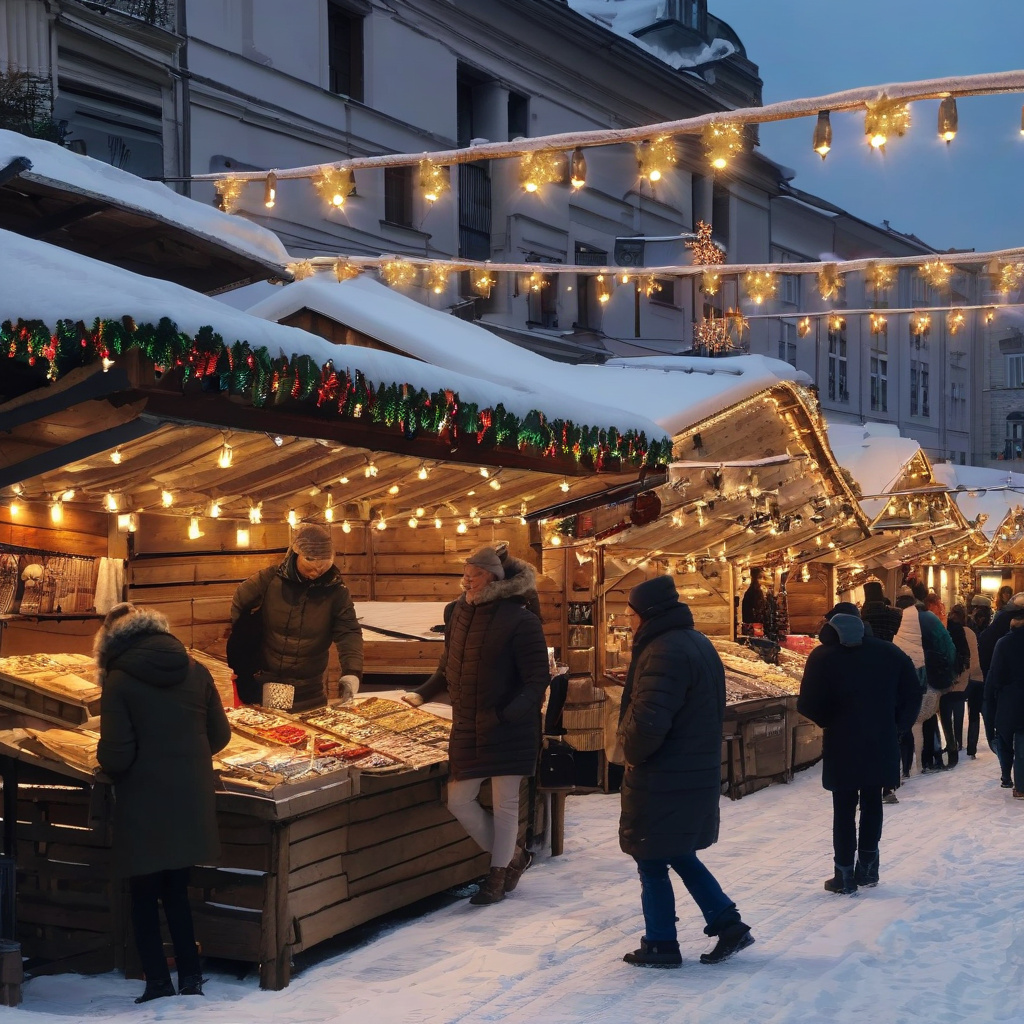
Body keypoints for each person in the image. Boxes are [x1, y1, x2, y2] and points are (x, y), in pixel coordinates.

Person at [95, 603, 230, 1003]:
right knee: (176, 889)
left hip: (144, 802)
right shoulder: (195, 669)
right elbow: (219, 736)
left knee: (143, 893)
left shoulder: (119, 680)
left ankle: (156, 981)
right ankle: (191, 977)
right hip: (190, 798)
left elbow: (116, 757)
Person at [618, 576, 753, 968]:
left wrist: (632, 752)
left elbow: (649, 721)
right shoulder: (694, 643)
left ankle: (661, 943)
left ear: (648, 614)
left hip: (665, 774)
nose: (628, 622)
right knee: (672, 851)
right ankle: (727, 924)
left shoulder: (664, 651)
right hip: (689, 770)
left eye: (631, 614)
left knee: (652, 855)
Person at [442, 546, 550, 905]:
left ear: (492, 577)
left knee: (505, 805)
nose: (466, 580)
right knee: (459, 799)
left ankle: (497, 874)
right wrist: (421, 694)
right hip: (468, 725)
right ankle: (514, 857)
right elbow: (448, 664)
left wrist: (506, 715)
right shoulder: (456, 612)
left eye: (473, 574)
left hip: (509, 727)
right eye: (465, 573)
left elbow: (537, 679)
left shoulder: (521, 619)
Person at [797, 605, 921, 894]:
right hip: (881, 739)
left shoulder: (822, 656)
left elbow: (806, 703)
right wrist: (898, 726)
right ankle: (867, 868)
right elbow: (913, 692)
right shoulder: (890, 653)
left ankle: (844, 875)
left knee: (843, 808)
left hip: (842, 742)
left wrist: (829, 720)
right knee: (873, 802)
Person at [229, 523, 362, 712]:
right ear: (296, 554)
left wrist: (352, 672)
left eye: (323, 566)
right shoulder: (268, 580)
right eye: (311, 564)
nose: (316, 572)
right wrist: (247, 646)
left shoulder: (336, 591)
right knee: (277, 734)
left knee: (312, 735)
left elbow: (349, 632)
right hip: (272, 684)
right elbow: (240, 605)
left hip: (312, 688)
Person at [403, 543, 541, 707]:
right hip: (467, 711)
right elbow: (453, 658)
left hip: (502, 711)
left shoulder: (522, 614)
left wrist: (513, 713)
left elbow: (534, 674)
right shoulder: (458, 609)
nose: (469, 579)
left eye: (477, 574)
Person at [986, 600, 1024, 796]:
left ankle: (1006, 777)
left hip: (1009, 700)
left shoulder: (1003, 643)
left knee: (1005, 738)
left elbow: (996, 675)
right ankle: (1021, 785)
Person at [940, 605, 972, 767]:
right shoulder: (963, 630)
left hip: (948, 677)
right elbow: (968, 655)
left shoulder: (946, 629)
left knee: (947, 713)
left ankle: (953, 743)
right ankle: (957, 742)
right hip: (958, 676)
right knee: (956, 710)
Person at [965, 596, 991, 758]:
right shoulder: (985, 630)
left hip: (974, 676)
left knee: (974, 713)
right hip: (982, 675)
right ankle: (992, 743)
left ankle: (971, 748)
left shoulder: (968, 627)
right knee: (984, 712)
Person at [740, 568, 769, 635]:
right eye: (760, 577)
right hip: (753, 620)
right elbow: (757, 606)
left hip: (752, 619)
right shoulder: (754, 590)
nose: (761, 580)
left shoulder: (753, 589)